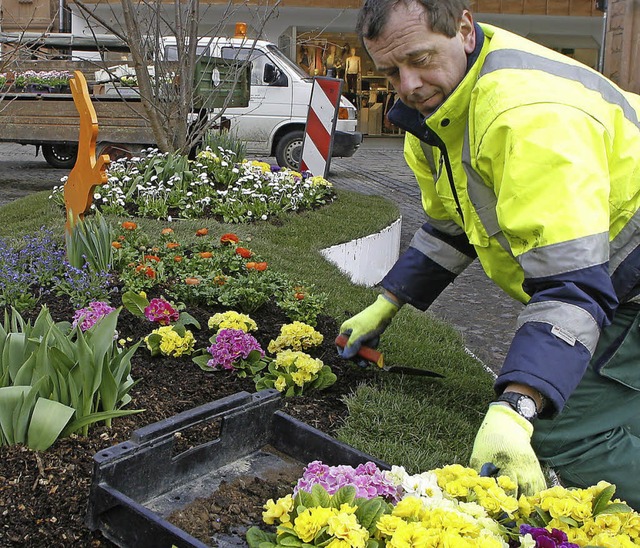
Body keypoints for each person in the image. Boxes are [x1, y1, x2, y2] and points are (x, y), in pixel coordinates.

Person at [338, 0, 640, 508]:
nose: (408, 85)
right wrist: (387, 301)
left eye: (420, 59)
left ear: (464, 29)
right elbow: (452, 227)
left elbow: (573, 287)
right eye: (391, 71)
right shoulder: (436, 114)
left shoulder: (528, 118)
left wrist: (518, 406)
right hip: (613, 274)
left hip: (622, 280)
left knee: (568, 437)